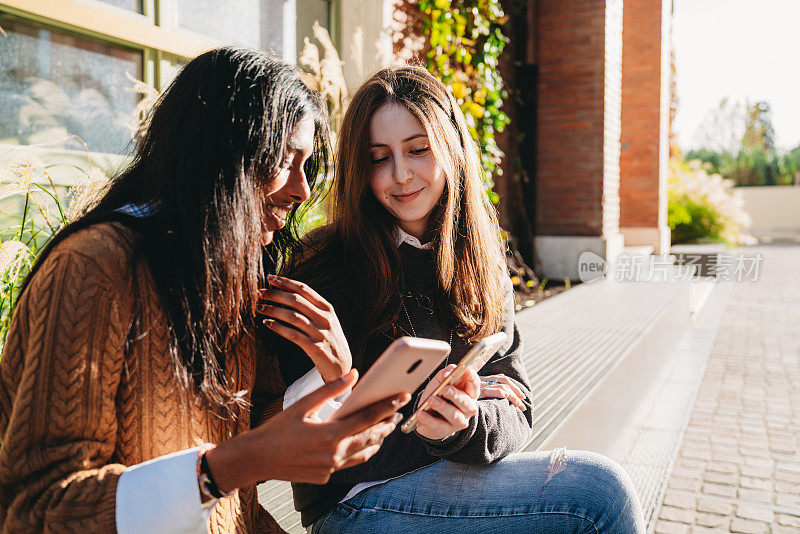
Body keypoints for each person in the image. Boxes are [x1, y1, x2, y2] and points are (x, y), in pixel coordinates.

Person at [0, 47, 410, 534]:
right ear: (219, 153)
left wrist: (332, 376)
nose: (301, 189)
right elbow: (37, 508)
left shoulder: (230, 277)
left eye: (308, 164)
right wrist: (232, 465)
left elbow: (241, 451)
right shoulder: (93, 268)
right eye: (283, 160)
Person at [260, 66, 646, 533]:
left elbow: (517, 402)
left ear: (450, 146)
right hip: (355, 505)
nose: (401, 176)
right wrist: (340, 381)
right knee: (600, 497)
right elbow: (268, 426)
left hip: (452, 483)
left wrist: (465, 425)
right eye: (379, 158)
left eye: (418, 150)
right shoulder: (323, 263)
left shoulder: (480, 258)